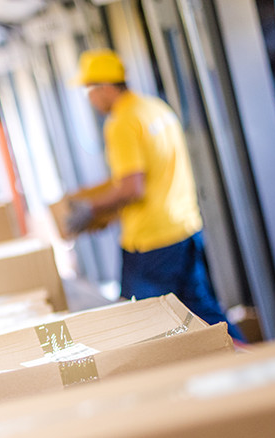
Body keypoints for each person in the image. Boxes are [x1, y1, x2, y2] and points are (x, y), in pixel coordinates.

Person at [68, 49, 245, 341]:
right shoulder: (156, 108)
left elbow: (132, 188)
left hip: (151, 241)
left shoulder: (122, 122)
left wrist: (90, 208)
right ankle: (254, 361)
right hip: (184, 227)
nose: (90, 98)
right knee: (203, 311)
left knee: (142, 328)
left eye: (90, 89)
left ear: (105, 87)